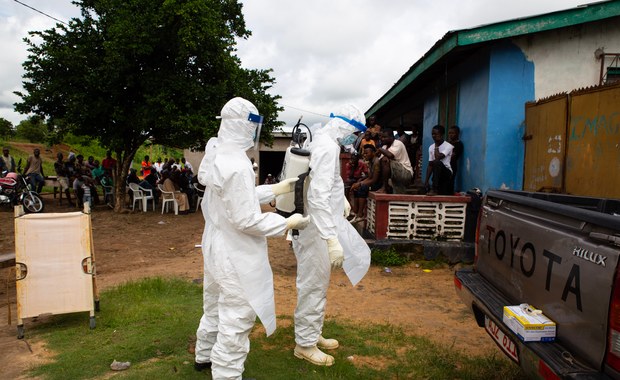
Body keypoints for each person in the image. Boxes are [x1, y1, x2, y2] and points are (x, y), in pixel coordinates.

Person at [193, 97, 309, 379]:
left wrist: (275, 190)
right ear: (244, 126)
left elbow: (236, 199)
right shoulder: (237, 165)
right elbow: (245, 219)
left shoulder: (218, 153)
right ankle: (227, 374)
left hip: (215, 243)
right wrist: (284, 222)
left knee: (214, 304)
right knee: (237, 312)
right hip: (234, 250)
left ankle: (204, 355)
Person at [291, 104, 371, 367]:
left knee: (316, 283)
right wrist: (330, 238)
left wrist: (342, 202)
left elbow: (325, 184)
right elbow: (317, 196)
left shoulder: (323, 141)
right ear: (349, 127)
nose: (354, 139)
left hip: (316, 225)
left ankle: (312, 334)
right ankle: (304, 344)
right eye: (356, 133)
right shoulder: (328, 147)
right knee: (313, 285)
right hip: (316, 230)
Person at [350, 144, 382, 223]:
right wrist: (359, 183)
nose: (365, 155)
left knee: (362, 188)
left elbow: (374, 179)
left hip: (378, 185)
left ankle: (361, 215)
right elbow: (369, 177)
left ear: (373, 153)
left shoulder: (376, 162)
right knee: (356, 187)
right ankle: (356, 213)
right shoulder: (371, 162)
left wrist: (361, 184)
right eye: (364, 153)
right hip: (372, 182)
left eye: (367, 153)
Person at [377, 128, 414, 194]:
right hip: (396, 172)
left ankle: (384, 188)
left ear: (391, 137)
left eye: (385, 137)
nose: (382, 139)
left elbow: (390, 155)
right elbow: (379, 162)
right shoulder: (384, 147)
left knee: (385, 161)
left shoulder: (398, 143)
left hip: (406, 172)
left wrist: (379, 149)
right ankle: (383, 186)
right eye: (381, 137)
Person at [424, 125, 454, 196]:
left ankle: (434, 189)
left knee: (437, 162)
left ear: (441, 135)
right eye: (432, 134)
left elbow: (438, 157)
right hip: (437, 175)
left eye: (436, 134)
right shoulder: (431, 147)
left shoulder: (448, 146)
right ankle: (434, 188)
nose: (433, 136)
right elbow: (430, 165)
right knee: (435, 163)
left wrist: (436, 145)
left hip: (447, 173)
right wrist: (426, 180)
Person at [448, 125, 464, 192]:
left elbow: (452, 156)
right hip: (445, 165)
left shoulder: (459, 144)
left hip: (452, 165)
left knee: (450, 182)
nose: (450, 135)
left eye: (452, 133)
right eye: (449, 133)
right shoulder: (448, 143)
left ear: (457, 134)